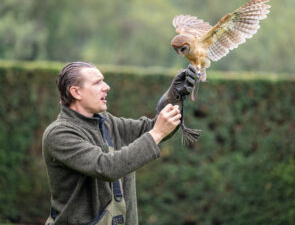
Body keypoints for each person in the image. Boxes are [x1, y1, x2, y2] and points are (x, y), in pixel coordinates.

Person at [42, 61, 197, 225]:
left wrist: (175, 96)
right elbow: (106, 167)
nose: (106, 86)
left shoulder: (106, 121)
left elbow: (151, 129)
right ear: (76, 92)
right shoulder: (59, 134)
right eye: (97, 82)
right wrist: (157, 132)